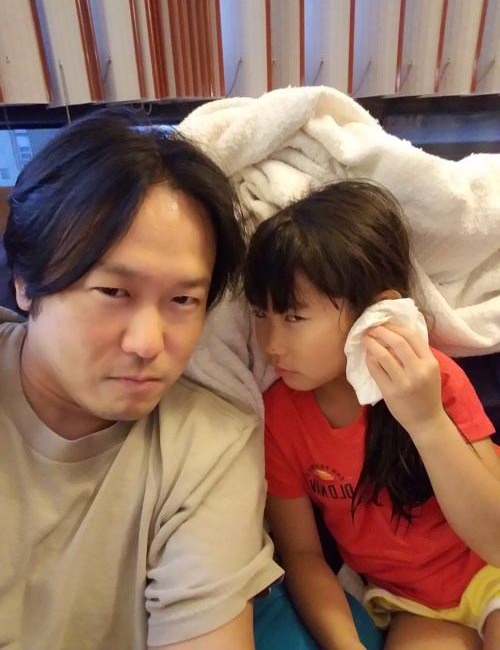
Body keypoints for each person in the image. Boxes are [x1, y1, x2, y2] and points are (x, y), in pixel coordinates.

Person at [0, 106, 290, 650]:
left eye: (183, 300)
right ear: (25, 284)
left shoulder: (209, 447)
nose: (148, 343)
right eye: (113, 292)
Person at [244, 179, 500, 650]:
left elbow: (495, 539)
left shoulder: (433, 380)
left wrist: (426, 421)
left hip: (490, 573)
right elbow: (302, 554)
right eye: (261, 313)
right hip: (410, 603)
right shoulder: (279, 417)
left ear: (375, 313)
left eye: (294, 317)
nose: (271, 343)